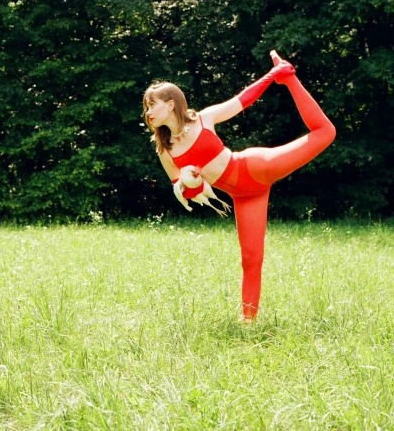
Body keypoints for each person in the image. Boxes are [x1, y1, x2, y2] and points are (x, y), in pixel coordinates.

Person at [143, 51, 336, 320]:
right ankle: (249, 324)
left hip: (254, 167)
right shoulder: (166, 151)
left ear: (171, 103)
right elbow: (185, 192)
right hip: (245, 197)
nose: (148, 112)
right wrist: (190, 183)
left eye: (152, 105)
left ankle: (288, 75)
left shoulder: (203, 119)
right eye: (146, 107)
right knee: (251, 259)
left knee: (326, 133)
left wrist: (275, 75)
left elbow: (243, 99)